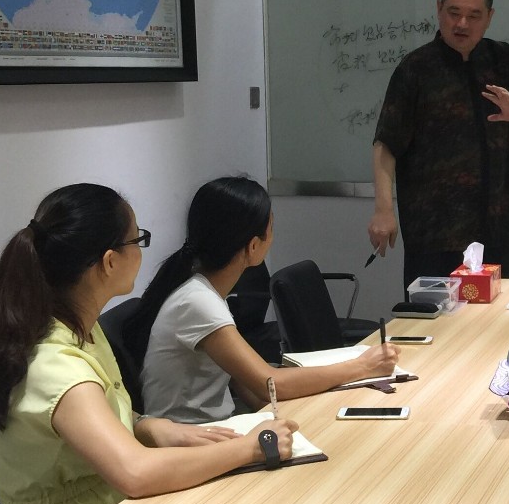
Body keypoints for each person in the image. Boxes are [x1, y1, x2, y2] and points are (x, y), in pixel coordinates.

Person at [0, 183, 298, 504]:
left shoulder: (80, 329)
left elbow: (100, 414)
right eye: (137, 240)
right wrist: (252, 447)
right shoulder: (57, 366)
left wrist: (149, 426)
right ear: (110, 262)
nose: (141, 250)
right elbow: (135, 472)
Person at [128, 176, 399, 422]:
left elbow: (248, 385)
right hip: (192, 440)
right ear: (254, 245)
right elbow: (270, 384)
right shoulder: (198, 302)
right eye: (271, 227)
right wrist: (363, 366)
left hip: (214, 429)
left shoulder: (203, 293)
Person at [368, 0, 509, 287]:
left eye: (474, 16)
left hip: (494, 231)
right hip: (433, 233)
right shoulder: (416, 69)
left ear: (489, 18)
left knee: (496, 314)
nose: (462, 24)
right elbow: (386, 144)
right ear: (439, 9)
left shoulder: (501, 60)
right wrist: (383, 210)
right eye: (454, 13)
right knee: (436, 316)